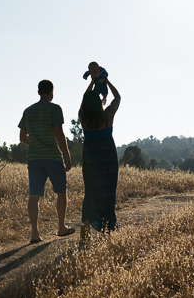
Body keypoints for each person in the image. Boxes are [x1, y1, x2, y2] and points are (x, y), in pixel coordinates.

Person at [18, 79, 74, 243]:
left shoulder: (28, 111)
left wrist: (36, 143)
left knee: (34, 195)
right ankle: (61, 227)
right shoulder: (55, 109)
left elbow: (22, 137)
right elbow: (59, 133)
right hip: (52, 157)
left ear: (38, 92)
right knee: (61, 192)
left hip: (34, 158)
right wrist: (67, 156)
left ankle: (35, 233)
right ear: (52, 92)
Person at [78, 76, 121, 238]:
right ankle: (108, 229)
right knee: (108, 191)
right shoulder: (108, 115)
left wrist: (92, 82)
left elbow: (84, 100)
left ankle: (86, 229)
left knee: (91, 191)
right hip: (107, 154)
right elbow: (118, 97)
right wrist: (107, 81)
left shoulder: (83, 116)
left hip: (89, 155)